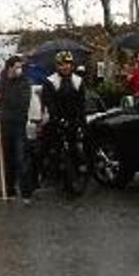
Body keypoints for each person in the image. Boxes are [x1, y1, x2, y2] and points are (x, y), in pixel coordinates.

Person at [40, 50, 87, 182]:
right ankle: (45, 172)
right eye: (61, 64)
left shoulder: (78, 81)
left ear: (72, 65)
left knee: (78, 146)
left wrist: (81, 121)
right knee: (47, 145)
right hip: (55, 118)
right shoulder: (50, 81)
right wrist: (56, 118)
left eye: (67, 64)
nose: (65, 67)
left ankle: (81, 169)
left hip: (73, 118)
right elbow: (48, 101)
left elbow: (81, 103)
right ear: (57, 66)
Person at [0, 55, 33, 202]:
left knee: (21, 158)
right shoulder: (0, 82)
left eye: (20, 67)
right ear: (9, 68)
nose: (19, 70)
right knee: (7, 159)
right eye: (16, 67)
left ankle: (26, 192)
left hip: (18, 124)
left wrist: (2, 97)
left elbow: (22, 102)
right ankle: (9, 189)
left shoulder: (24, 83)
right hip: (5, 125)